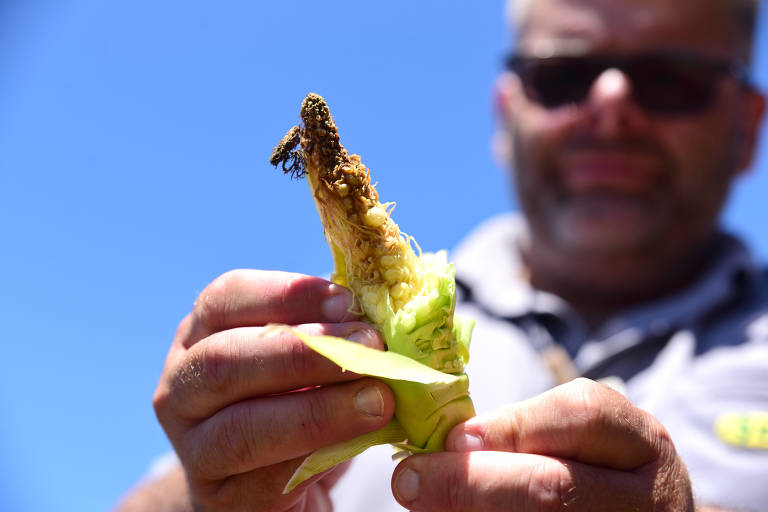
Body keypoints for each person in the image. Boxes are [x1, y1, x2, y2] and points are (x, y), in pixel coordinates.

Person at [117, 0, 768, 510]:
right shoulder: (323, 342)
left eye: (671, 80)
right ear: (505, 116)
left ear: (748, 126)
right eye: (563, 76)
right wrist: (206, 497)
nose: (611, 105)